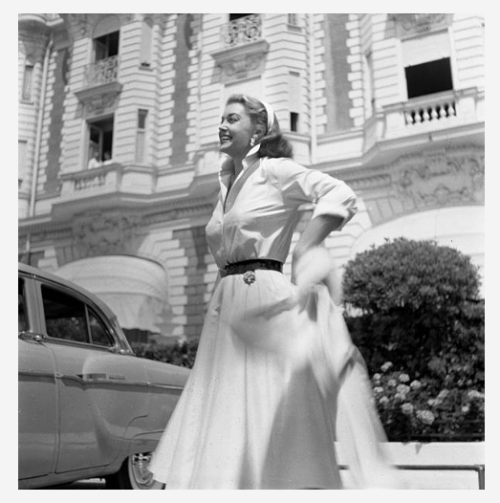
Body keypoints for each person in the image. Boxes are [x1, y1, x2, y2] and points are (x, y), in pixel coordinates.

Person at [149, 94, 400, 489]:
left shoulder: (274, 170)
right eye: (222, 118)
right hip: (225, 305)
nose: (223, 125)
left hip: (262, 294)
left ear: (259, 130)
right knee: (221, 413)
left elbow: (341, 194)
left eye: (233, 118)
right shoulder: (226, 184)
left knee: (261, 409)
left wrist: (307, 244)